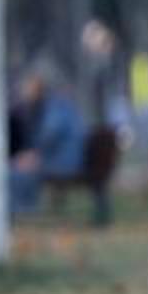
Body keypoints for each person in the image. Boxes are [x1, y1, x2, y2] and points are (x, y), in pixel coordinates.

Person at [8, 64, 86, 216]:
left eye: (26, 86)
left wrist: (34, 156)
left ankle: (23, 209)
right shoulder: (47, 105)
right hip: (61, 158)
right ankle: (21, 208)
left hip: (63, 161)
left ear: (38, 87)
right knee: (15, 168)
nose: (23, 91)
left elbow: (50, 136)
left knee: (14, 172)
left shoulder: (55, 106)